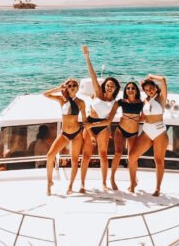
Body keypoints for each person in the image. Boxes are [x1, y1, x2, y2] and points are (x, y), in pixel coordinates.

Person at [80, 45, 120, 192]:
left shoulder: (114, 103)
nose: (110, 87)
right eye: (108, 85)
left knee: (103, 155)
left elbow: (109, 121)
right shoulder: (98, 93)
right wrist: (87, 57)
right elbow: (93, 75)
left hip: (102, 127)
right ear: (105, 86)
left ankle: (104, 183)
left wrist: (94, 127)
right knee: (86, 155)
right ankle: (82, 184)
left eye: (113, 86)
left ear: (116, 89)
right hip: (90, 122)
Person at [43, 79, 87, 195]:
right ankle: (49, 182)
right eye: (69, 85)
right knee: (50, 155)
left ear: (77, 88)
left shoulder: (81, 102)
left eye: (74, 85)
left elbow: (85, 120)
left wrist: (90, 134)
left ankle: (70, 186)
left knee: (74, 160)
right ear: (66, 88)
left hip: (77, 134)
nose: (72, 87)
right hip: (64, 134)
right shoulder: (62, 100)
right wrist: (59, 89)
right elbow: (45, 94)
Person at [128, 74, 168, 196]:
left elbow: (163, 80)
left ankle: (157, 188)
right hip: (147, 131)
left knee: (159, 160)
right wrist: (128, 119)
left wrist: (151, 76)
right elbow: (143, 117)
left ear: (155, 88)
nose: (149, 91)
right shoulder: (145, 101)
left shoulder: (161, 98)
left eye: (151, 88)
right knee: (132, 157)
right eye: (146, 90)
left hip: (159, 132)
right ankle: (133, 183)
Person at [109, 81, 144, 190]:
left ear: (136, 90)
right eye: (128, 88)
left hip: (133, 133)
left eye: (132, 88)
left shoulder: (141, 103)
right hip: (120, 130)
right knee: (118, 153)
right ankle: (112, 179)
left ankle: (133, 183)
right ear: (125, 91)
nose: (130, 90)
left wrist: (135, 119)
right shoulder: (121, 102)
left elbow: (144, 117)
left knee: (132, 158)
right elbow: (110, 116)